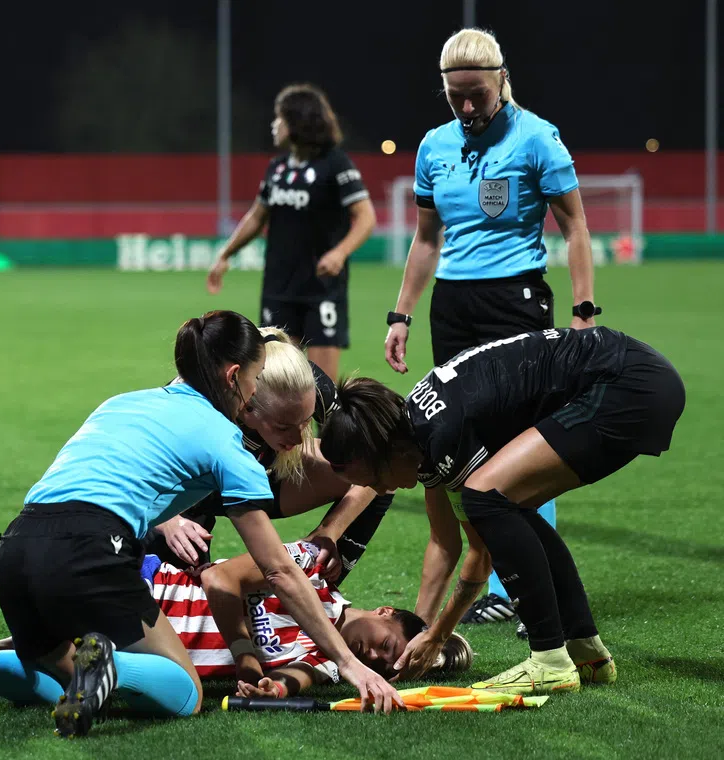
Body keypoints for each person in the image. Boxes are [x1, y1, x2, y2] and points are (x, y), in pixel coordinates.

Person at [0, 311, 402, 737]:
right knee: (186, 694)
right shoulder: (227, 443)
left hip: (16, 547)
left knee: (62, 674)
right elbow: (277, 570)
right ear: (236, 377)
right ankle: (110, 662)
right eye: (255, 386)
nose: (297, 434)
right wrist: (349, 665)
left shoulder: (124, 402)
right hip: (89, 547)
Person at [320, 326, 685, 694]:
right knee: (510, 502)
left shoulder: (444, 434)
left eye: (369, 479)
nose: (379, 490)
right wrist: (419, 632)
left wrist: (438, 636)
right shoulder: (416, 431)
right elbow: (444, 544)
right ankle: (585, 651)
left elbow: (480, 555)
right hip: (633, 376)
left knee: (486, 497)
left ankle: (549, 659)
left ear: (382, 452)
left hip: (628, 384)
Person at [383, 29, 601, 631]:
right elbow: (427, 240)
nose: (468, 108)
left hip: (517, 301)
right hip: (453, 308)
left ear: (500, 81)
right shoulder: (434, 146)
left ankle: (524, 587)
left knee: (525, 442)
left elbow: (575, 226)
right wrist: (401, 314)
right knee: (465, 441)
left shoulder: (538, 138)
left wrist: (584, 311)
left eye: (477, 94)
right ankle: (495, 573)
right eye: (457, 98)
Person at [0, 541, 473, 703]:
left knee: (11, 670)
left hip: (142, 660)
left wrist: (282, 684)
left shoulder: (333, 663)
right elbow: (226, 576)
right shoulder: (309, 576)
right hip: (141, 616)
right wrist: (247, 654)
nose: (392, 653)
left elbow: (300, 677)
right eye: (400, 642)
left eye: (404, 661)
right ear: (385, 613)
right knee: (8, 660)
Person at [148, 326, 393, 584]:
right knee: (172, 591)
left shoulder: (307, 385)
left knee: (374, 475)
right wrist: (170, 522)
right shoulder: (196, 407)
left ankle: (322, 596)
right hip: (183, 494)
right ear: (248, 403)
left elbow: (377, 461)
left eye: (305, 422)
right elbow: (136, 476)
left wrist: (328, 532)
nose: (298, 438)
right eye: (284, 426)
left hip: (262, 470)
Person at [207, 83, 376, 383]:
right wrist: (225, 254)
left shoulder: (335, 164)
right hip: (278, 289)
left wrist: (340, 252)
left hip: (322, 291)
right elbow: (257, 217)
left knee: (321, 388)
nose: (275, 125)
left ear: (298, 121)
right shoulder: (277, 168)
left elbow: (366, 217)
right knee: (279, 385)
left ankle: (326, 432)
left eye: (280, 118)